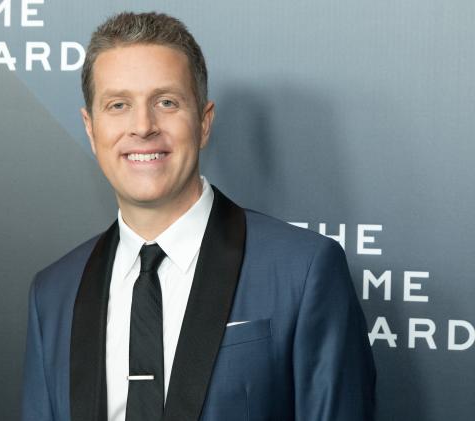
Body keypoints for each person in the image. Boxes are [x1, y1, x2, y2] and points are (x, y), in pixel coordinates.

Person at [21, 11, 375, 421]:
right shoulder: (53, 293)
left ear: (204, 123)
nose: (143, 126)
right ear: (90, 127)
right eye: (118, 105)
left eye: (166, 102)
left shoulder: (304, 270)